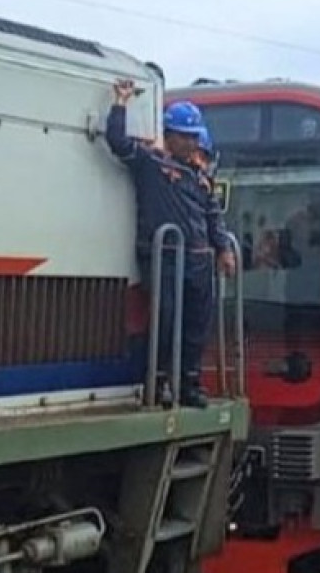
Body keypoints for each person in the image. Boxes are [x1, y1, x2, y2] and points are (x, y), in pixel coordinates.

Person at [105, 80, 236, 407]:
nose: (192, 143)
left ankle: (189, 382)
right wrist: (120, 104)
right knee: (165, 318)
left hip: (199, 258)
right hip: (163, 255)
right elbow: (118, 143)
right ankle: (160, 379)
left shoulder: (199, 175)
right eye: (185, 136)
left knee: (197, 322)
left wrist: (223, 248)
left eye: (195, 137)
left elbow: (212, 214)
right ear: (170, 134)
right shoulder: (151, 161)